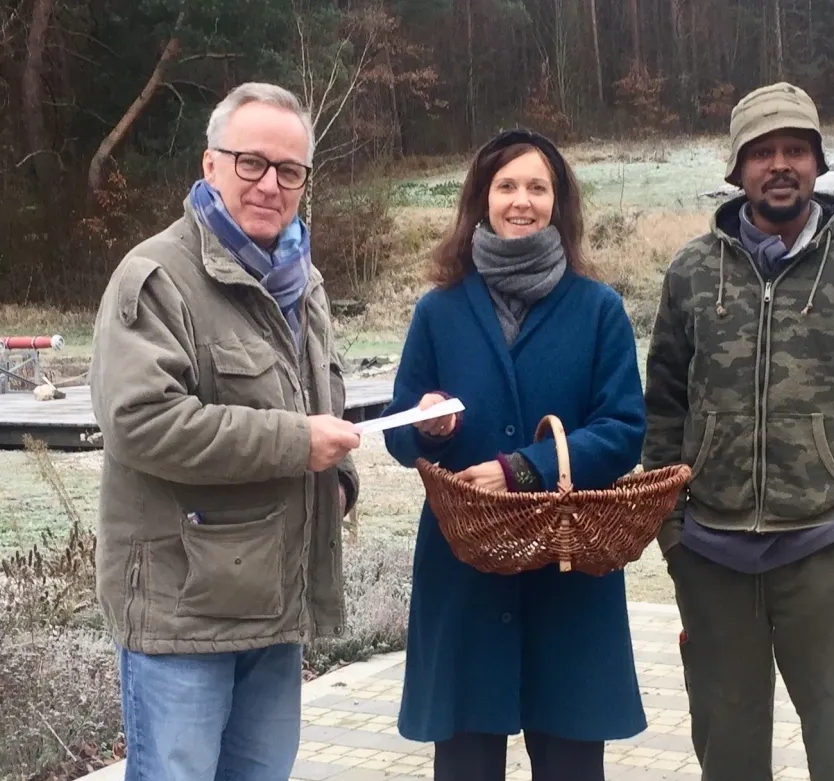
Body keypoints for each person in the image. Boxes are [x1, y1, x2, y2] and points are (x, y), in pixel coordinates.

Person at [641, 82, 834, 781]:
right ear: (736, 168)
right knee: (729, 754)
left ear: (818, 164)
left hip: (827, 552)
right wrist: (671, 531)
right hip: (712, 556)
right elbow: (663, 408)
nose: (779, 165)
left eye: (795, 149)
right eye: (761, 151)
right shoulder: (691, 271)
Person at [88, 82, 363, 781]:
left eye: (290, 170)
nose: (271, 183)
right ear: (210, 164)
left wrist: (341, 478)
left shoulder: (304, 280)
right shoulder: (156, 277)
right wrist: (297, 443)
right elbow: (141, 422)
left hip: (273, 607)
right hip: (182, 616)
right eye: (251, 162)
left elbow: (321, 394)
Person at [379, 128, 648, 781]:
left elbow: (623, 427)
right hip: (466, 571)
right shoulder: (440, 310)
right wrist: (430, 428)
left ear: (558, 203)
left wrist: (521, 469)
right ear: (482, 199)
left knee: (570, 766)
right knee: (467, 765)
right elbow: (398, 428)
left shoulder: (598, 309)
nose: (521, 200)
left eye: (537, 186)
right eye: (507, 186)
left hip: (569, 571)